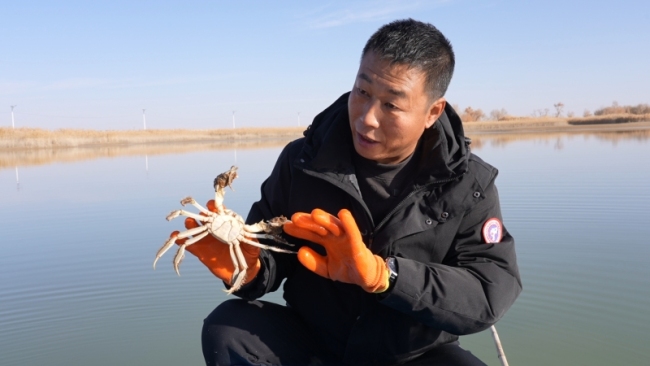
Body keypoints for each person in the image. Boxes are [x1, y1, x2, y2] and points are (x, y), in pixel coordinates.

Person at [176, 19, 522, 365]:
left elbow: (487, 290)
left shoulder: (468, 183)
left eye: (391, 105)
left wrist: (385, 276)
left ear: (433, 112)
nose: (367, 117)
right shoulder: (303, 160)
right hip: (315, 344)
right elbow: (268, 252)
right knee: (230, 327)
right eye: (363, 91)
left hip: (411, 355)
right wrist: (248, 271)